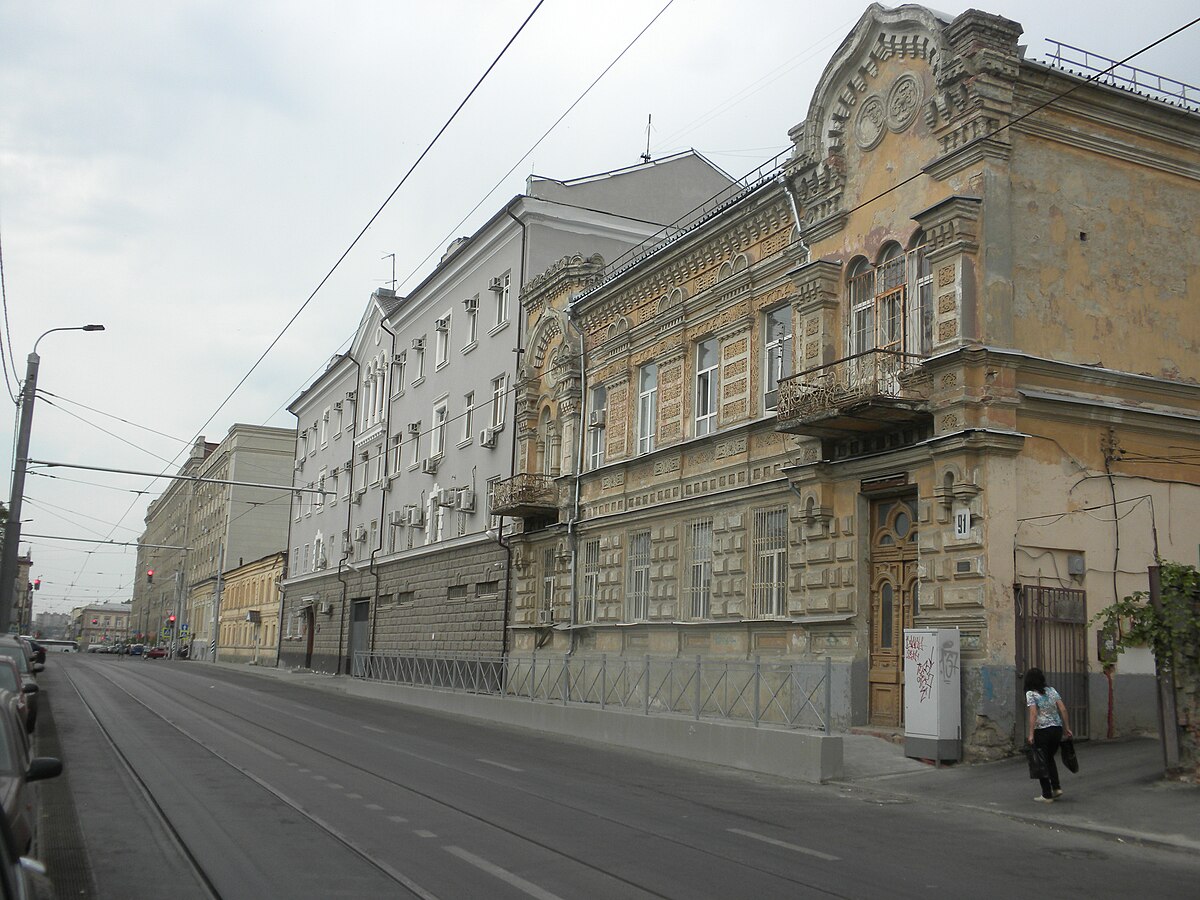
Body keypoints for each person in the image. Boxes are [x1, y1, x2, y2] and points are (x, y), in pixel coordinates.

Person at [1024, 667, 1072, 802]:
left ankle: (1046, 794)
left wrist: (1031, 734)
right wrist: (1067, 728)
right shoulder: (1052, 691)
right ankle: (1056, 788)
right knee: (1049, 758)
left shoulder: (1031, 694)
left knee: (1040, 761)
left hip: (1042, 730)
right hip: (1056, 729)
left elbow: (1033, 714)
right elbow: (1062, 709)